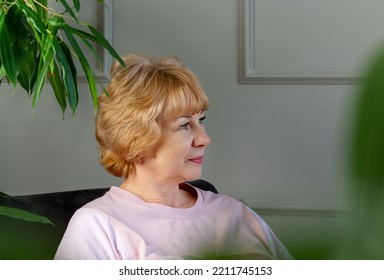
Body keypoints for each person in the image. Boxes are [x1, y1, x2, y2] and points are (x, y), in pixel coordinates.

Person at [55, 53, 292, 260]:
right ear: (136, 138)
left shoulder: (235, 215)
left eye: (201, 121)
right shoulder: (98, 226)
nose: (204, 139)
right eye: (184, 126)